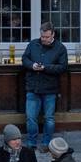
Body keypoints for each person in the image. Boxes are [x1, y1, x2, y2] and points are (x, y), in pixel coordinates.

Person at [22, 22, 69, 151]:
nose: (44, 39)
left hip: (50, 89)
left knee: (49, 118)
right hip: (33, 87)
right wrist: (32, 65)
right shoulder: (33, 44)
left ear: (53, 34)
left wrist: (45, 68)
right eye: (43, 37)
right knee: (31, 117)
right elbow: (25, 58)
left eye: (47, 37)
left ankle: (46, 143)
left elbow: (63, 67)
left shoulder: (60, 48)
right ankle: (31, 142)